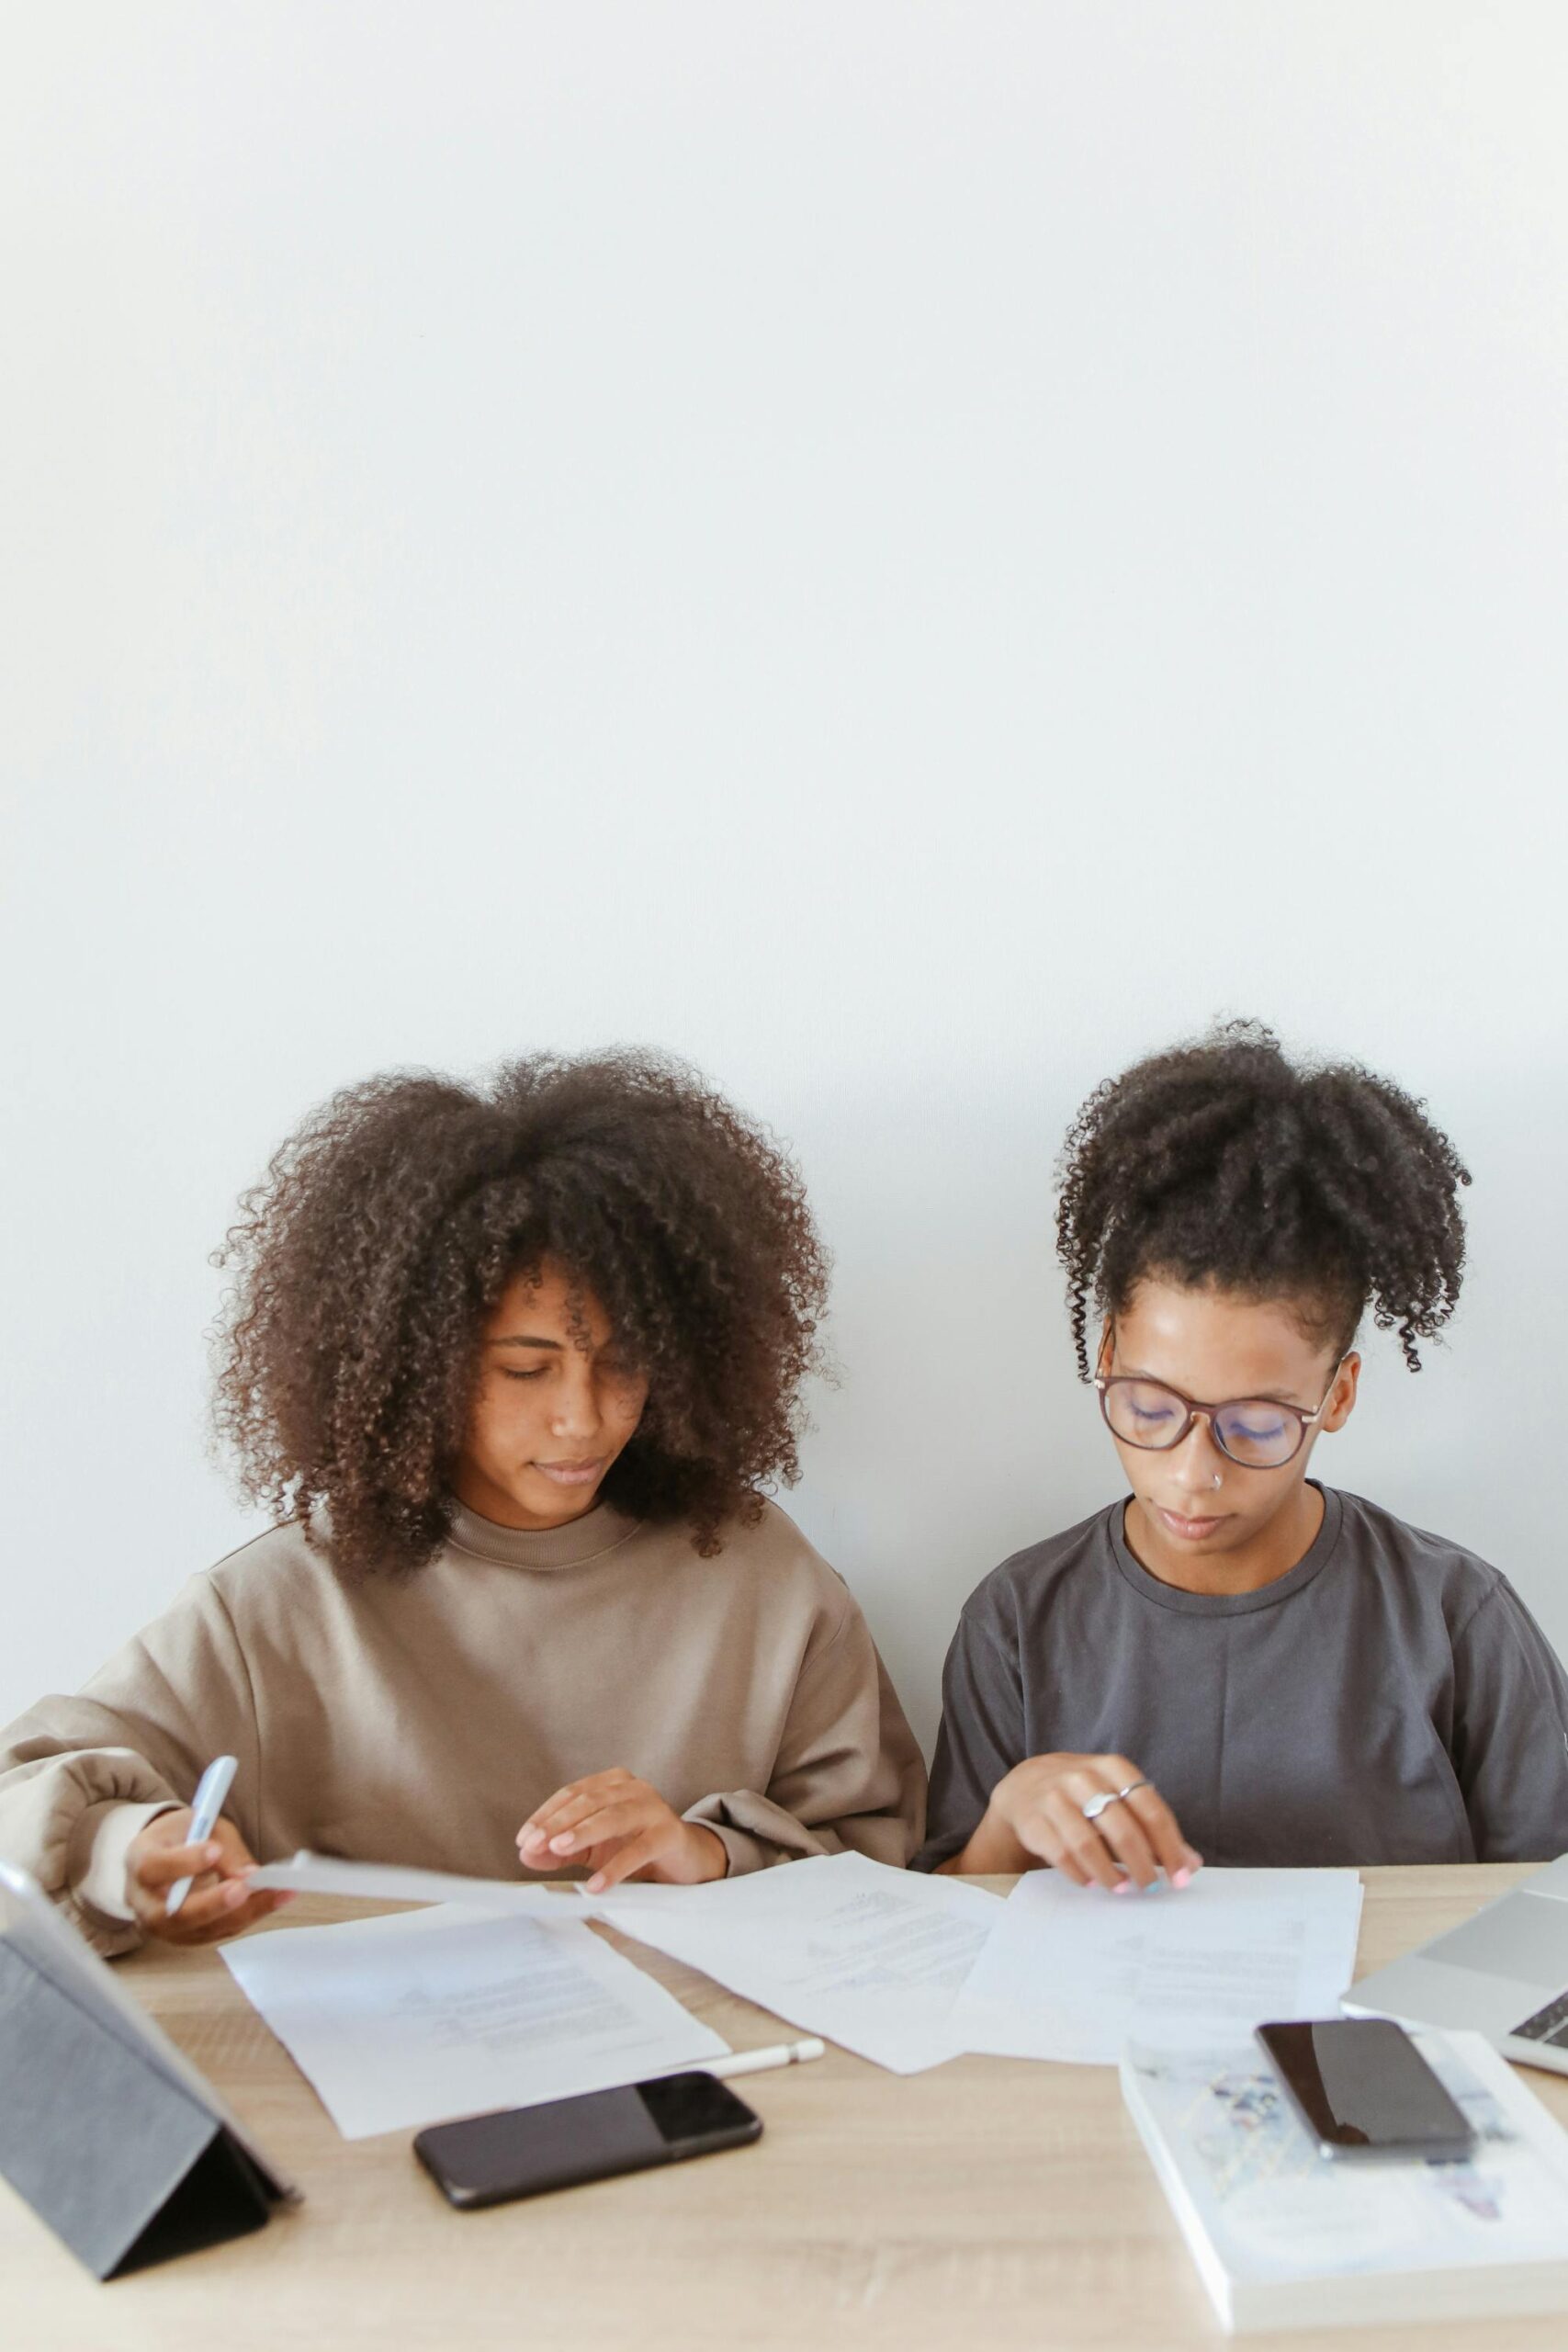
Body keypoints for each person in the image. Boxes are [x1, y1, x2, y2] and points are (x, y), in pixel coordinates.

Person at [0, 1051, 923, 1953]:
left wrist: (707, 1851)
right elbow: (20, 1798)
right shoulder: (279, 1606)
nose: (583, 1417)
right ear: (415, 1362)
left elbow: (886, 1853)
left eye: (625, 1362)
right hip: (366, 2087)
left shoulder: (763, 1577)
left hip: (727, 2077)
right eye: (526, 1368)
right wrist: (127, 1850)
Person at [919, 1020, 1568, 1883]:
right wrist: (1009, 1815)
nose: (1192, 1474)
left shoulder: (1456, 1618)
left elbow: (1549, 1923)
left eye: (1255, 1426)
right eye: (1149, 1408)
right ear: (1106, 1355)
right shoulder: (1016, 1619)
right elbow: (941, 1941)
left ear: (1335, 1396)